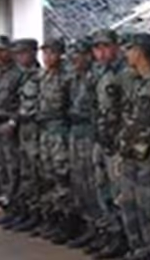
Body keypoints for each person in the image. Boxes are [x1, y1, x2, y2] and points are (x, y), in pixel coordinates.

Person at [121, 32, 150, 260]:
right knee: (129, 204)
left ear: (140, 52)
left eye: (130, 49)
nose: (126, 54)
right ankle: (138, 249)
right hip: (130, 153)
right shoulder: (133, 82)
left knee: (149, 207)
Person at [93, 28, 131, 259]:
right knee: (103, 190)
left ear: (116, 47)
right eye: (97, 48)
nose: (101, 52)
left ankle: (125, 239)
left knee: (121, 194)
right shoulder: (100, 73)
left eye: (106, 46)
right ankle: (112, 234)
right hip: (102, 139)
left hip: (119, 144)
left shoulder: (125, 74)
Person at [38, 37, 77, 243]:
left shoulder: (67, 76)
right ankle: (53, 217)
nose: (47, 57)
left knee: (63, 177)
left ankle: (68, 221)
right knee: (48, 175)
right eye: (44, 53)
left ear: (60, 54)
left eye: (51, 52)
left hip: (60, 132)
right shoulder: (44, 75)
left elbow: (71, 107)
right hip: (46, 132)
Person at [66, 37, 101, 250]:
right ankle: (89, 227)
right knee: (79, 182)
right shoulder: (75, 77)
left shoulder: (96, 77)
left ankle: (101, 228)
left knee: (93, 184)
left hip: (90, 134)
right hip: (76, 133)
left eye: (78, 54)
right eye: (72, 55)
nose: (74, 59)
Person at [7, 38, 43, 234]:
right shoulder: (22, 76)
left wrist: (15, 120)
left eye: (23, 53)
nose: (20, 57)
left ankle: (39, 216)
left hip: (35, 131)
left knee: (36, 174)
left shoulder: (39, 76)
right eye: (17, 53)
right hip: (24, 132)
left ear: (33, 52)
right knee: (24, 174)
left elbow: (33, 108)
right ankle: (27, 212)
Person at [0, 35, 25, 227]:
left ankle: (19, 209)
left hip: (11, 127)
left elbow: (23, 102)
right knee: (1, 169)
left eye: (2, 50)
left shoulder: (18, 73)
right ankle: (9, 208)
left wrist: (13, 122)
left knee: (14, 170)